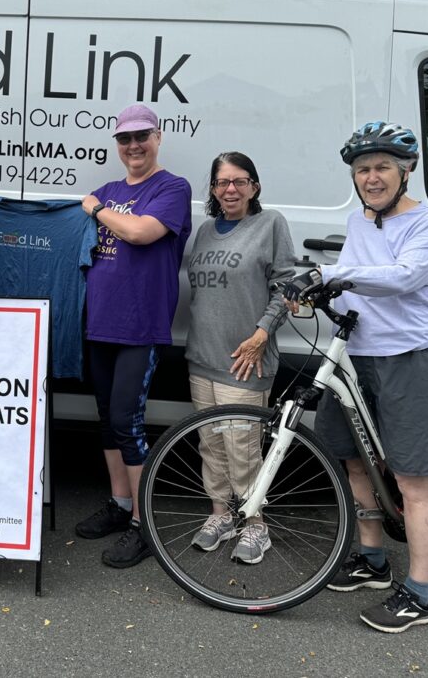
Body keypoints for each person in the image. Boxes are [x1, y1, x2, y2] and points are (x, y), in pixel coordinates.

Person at [283, 121, 428, 633]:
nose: (372, 177)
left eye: (382, 166)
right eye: (363, 169)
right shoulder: (361, 219)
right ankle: (373, 561)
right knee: (354, 460)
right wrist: (315, 288)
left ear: (406, 170)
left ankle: (420, 594)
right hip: (357, 356)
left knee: (413, 479)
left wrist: (333, 276)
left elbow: (404, 277)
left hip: (412, 359)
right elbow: (356, 272)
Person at [77, 103, 192, 568]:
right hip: (99, 323)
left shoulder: (172, 188)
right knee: (106, 418)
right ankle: (120, 506)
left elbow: (142, 233)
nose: (133, 146)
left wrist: (98, 210)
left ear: (158, 137)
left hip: (139, 325)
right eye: (125, 139)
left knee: (128, 420)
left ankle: (145, 527)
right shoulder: (106, 189)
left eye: (141, 136)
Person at [184, 152, 295, 563]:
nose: (231, 189)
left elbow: (286, 287)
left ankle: (255, 524)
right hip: (203, 356)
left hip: (245, 359)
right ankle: (220, 516)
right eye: (222, 183)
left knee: (242, 446)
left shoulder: (270, 224)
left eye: (239, 181)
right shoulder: (205, 232)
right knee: (210, 445)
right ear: (213, 189)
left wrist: (261, 334)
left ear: (255, 185)